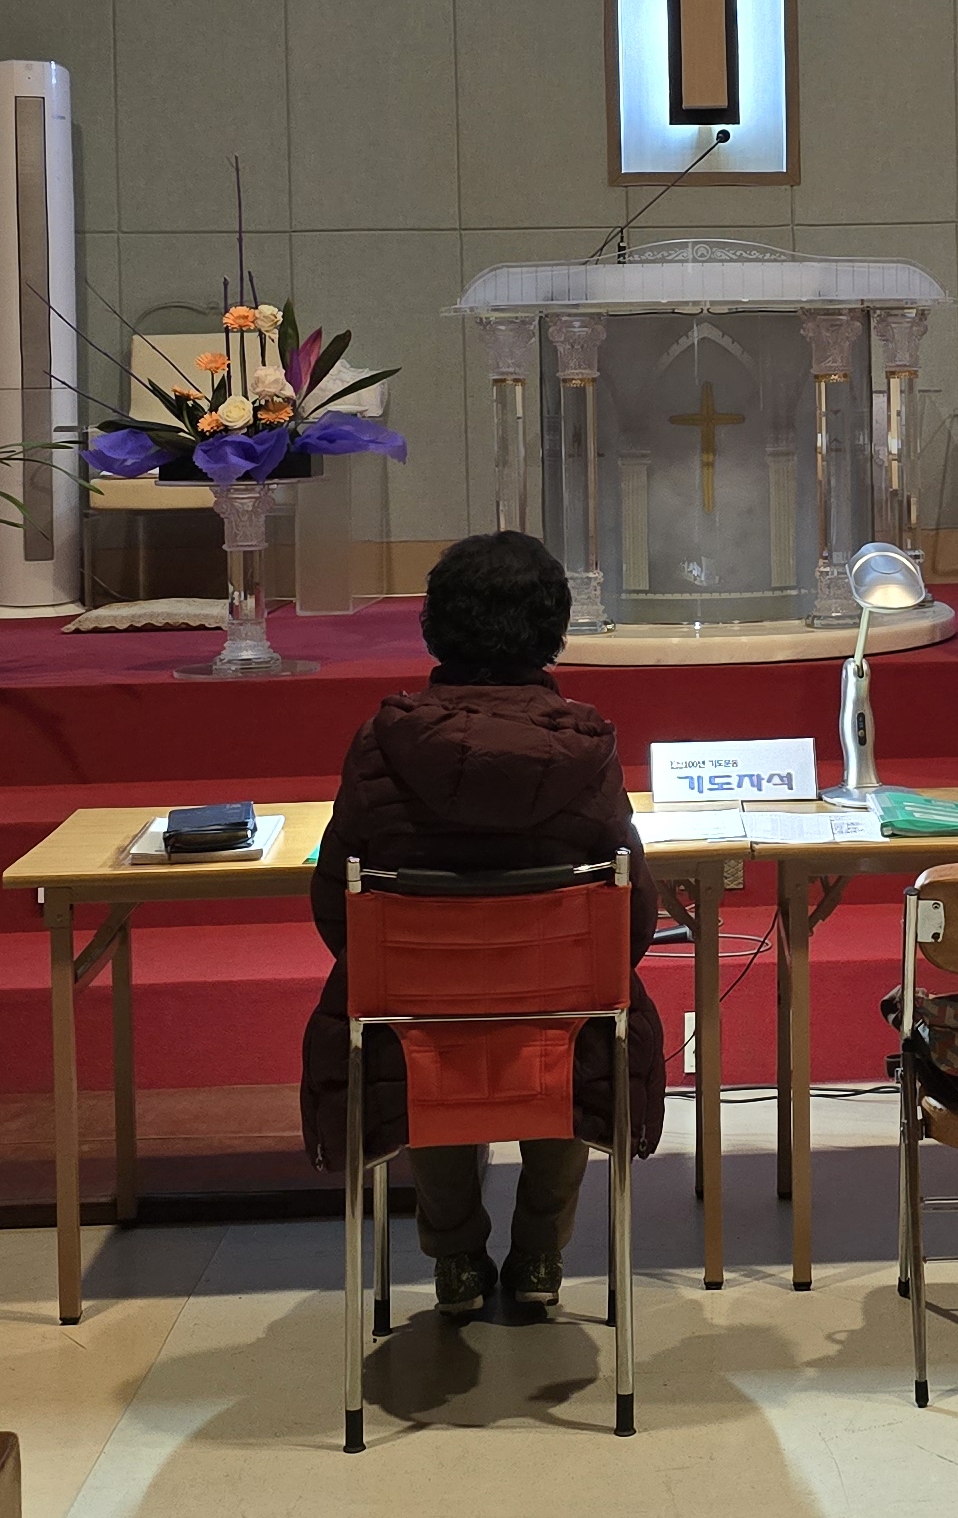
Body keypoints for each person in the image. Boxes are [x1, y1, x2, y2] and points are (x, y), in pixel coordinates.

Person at [300, 530, 664, 1323]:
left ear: (437, 624)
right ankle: (539, 1251)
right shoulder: (586, 744)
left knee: (417, 1028)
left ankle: (457, 1257)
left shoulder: (382, 740)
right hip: (559, 1012)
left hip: (416, 1014)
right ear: (554, 629)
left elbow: (338, 897)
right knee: (583, 1017)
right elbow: (631, 913)